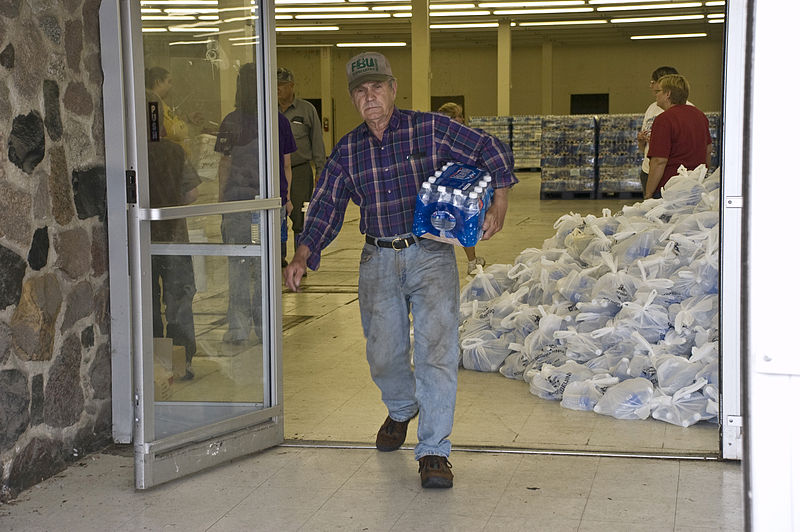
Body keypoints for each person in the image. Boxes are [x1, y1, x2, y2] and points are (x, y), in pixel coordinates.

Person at [283, 52, 517, 489]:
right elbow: (328, 203)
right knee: (383, 355)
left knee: (437, 353)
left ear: (392, 89)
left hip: (430, 255)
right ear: (353, 99)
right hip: (377, 259)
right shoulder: (349, 149)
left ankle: (433, 451)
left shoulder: (428, 127)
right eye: (360, 91)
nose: (369, 97)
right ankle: (402, 407)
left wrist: (501, 197)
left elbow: (487, 146)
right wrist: (303, 253)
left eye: (377, 88)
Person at [216, 63, 296, 343]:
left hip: (236, 203)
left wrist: (221, 200)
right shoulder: (279, 121)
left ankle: (237, 327)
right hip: (268, 205)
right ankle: (265, 327)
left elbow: (224, 164)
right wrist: (286, 199)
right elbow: (286, 166)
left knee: (237, 267)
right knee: (266, 268)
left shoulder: (230, 121)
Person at [146, 90, 200, 379]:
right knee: (178, 300)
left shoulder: (130, 151)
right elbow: (192, 192)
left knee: (148, 301)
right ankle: (182, 362)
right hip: (174, 236)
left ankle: (156, 365)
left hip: (142, 239)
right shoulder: (173, 151)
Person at [276, 67, 327, 254]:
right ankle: (278, 258)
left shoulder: (306, 110)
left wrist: (320, 171)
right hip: (274, 171)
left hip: (300, 171)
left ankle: (300, 258)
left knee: (300, 216)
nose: (277, 89)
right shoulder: (266, 109)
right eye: (275, 85)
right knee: (275, 214)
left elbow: (317, 142)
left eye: (281, 85)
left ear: (291, 86)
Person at [436, 102, 488, 275]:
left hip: (447, 186)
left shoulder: (436, 137)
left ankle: (470, 261)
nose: (462, 120)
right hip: (454, 187)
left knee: (453, 224)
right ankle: (471, 262)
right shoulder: (458, 139)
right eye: (458, 116)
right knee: (462, 224)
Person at [645, 74, 712, 199]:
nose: (656, 95)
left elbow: (659, 161)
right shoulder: (699, 115)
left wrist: (648, 193)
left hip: (669, 189)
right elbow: (708, 150)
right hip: (694, 187)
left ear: (668, 94)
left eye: (659, 91)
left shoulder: (664, 120)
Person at [637, 66, 681, 194]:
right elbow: (643, 148)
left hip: (669, 173)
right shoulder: (652, 108)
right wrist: (641, 140)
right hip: (648, 170)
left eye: (653, 82)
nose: (651, 87)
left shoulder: (685, 110)